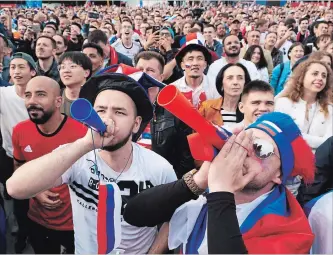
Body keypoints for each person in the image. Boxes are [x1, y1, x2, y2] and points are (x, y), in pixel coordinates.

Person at [7, 73, 177, 254]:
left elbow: (173, 218)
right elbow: (15, 188)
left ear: (136, 124)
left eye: (119, 112)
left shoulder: (159, 167)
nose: (107, 119)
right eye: (101, 110)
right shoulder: (76, 155)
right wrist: (85, 144)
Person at [123, 112, 315, 254]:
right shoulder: (207, 193)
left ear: (279, 175)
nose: (246, 151)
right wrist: (198, 181)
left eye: (261, 149)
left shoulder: (291, 231)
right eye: (243, 140)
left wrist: (222, 191)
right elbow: (134, 214)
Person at [12, 76, 87, 254]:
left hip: (76, 224)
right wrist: (35, 190)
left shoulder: (82, 134)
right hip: (37, 221)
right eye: (28, 95)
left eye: (40, 95)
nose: (32, 101)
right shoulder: (20, 131)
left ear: (58, 101)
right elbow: (19, 168)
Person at [0, 52, 37, 253]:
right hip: (10, 157)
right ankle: (21, 234)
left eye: (21, 67)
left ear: (32, 71)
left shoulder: (40, 95)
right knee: (18, 199)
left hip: (38, 158)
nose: (16, 71)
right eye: (13, 67)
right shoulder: (3, 95)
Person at [275, 60, 332, 152]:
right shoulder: (283, 103)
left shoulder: (329, 109)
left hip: (319, 162)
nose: (320, 78)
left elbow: (329, 142)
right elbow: (284, 134)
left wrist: (298, 136)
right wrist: (319, 140)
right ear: (302, 76)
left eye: (324, 76)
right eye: (315, 74)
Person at [198, 63, 251, 129]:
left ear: (245, 83)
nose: (235, 82)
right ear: (221, 83)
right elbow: (197, 134)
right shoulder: (207, 108)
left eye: (240, 78)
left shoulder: (250, 110)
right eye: (230, 78)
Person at [172, 33, 215, 108]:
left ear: (205, 64)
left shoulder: (216, 88)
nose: (195, 63)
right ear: (182, 65)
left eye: (199, 58)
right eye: (190, 59)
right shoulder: (173, 89)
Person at [58, 52, 92, 117]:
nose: (66, 70)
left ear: (86, 73)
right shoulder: (56, 96)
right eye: (62, 67)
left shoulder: (96, 97)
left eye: (72, 66)